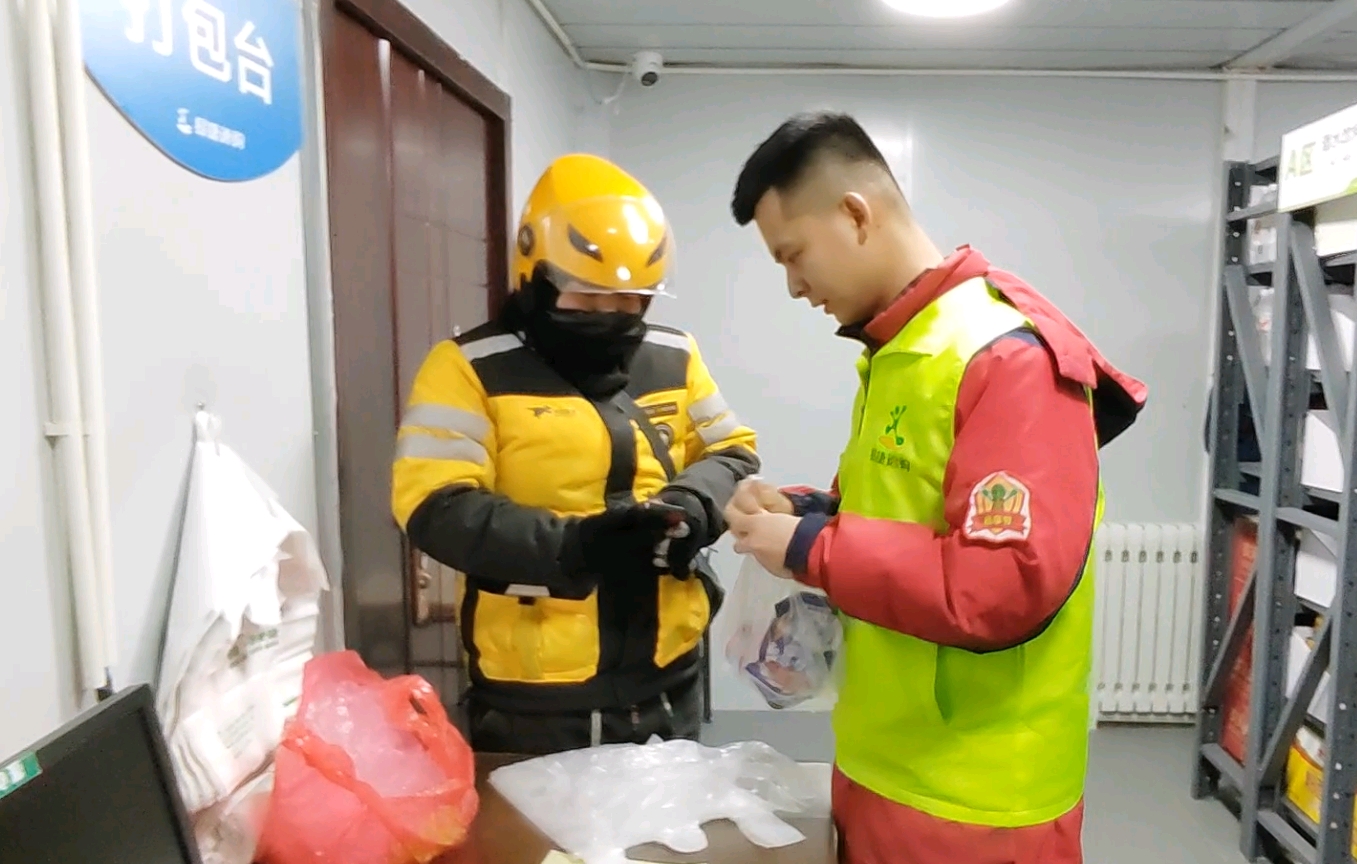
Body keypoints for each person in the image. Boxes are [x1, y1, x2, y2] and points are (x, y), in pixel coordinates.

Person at [721, 112, 1148, 864]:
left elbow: (1002, 583)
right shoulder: (899, 351)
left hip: (975, 799)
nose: (793, 286)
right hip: (881, 759)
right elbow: (902, 512)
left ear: (856, 214)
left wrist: (811, 547)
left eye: (794, 255)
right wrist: (805, 513)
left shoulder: (1005, 358)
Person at [391, 153, 759, 755]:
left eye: (631, 300)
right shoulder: (469, 369)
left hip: (670, 674)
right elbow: (434, 505)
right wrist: (577, 546)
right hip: (536, 696)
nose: (612, 316)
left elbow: (732, 451)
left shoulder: (675, 355)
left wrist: (694, 505)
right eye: (588, 299)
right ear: (537, 278)